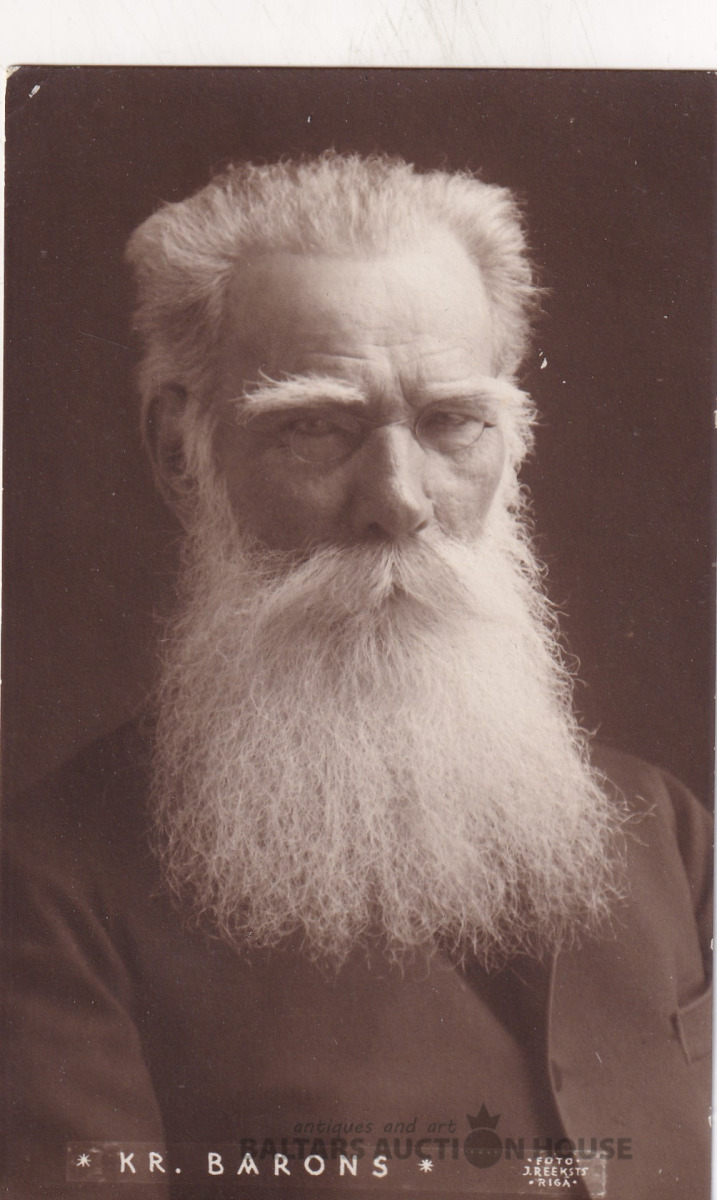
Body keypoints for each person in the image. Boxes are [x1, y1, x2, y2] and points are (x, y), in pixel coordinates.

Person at [3, 154, 711, 1200]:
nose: (399, 500)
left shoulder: (668, 832)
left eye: (451, 421)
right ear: (180, 453)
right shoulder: (49, 894)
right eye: (316, 426)